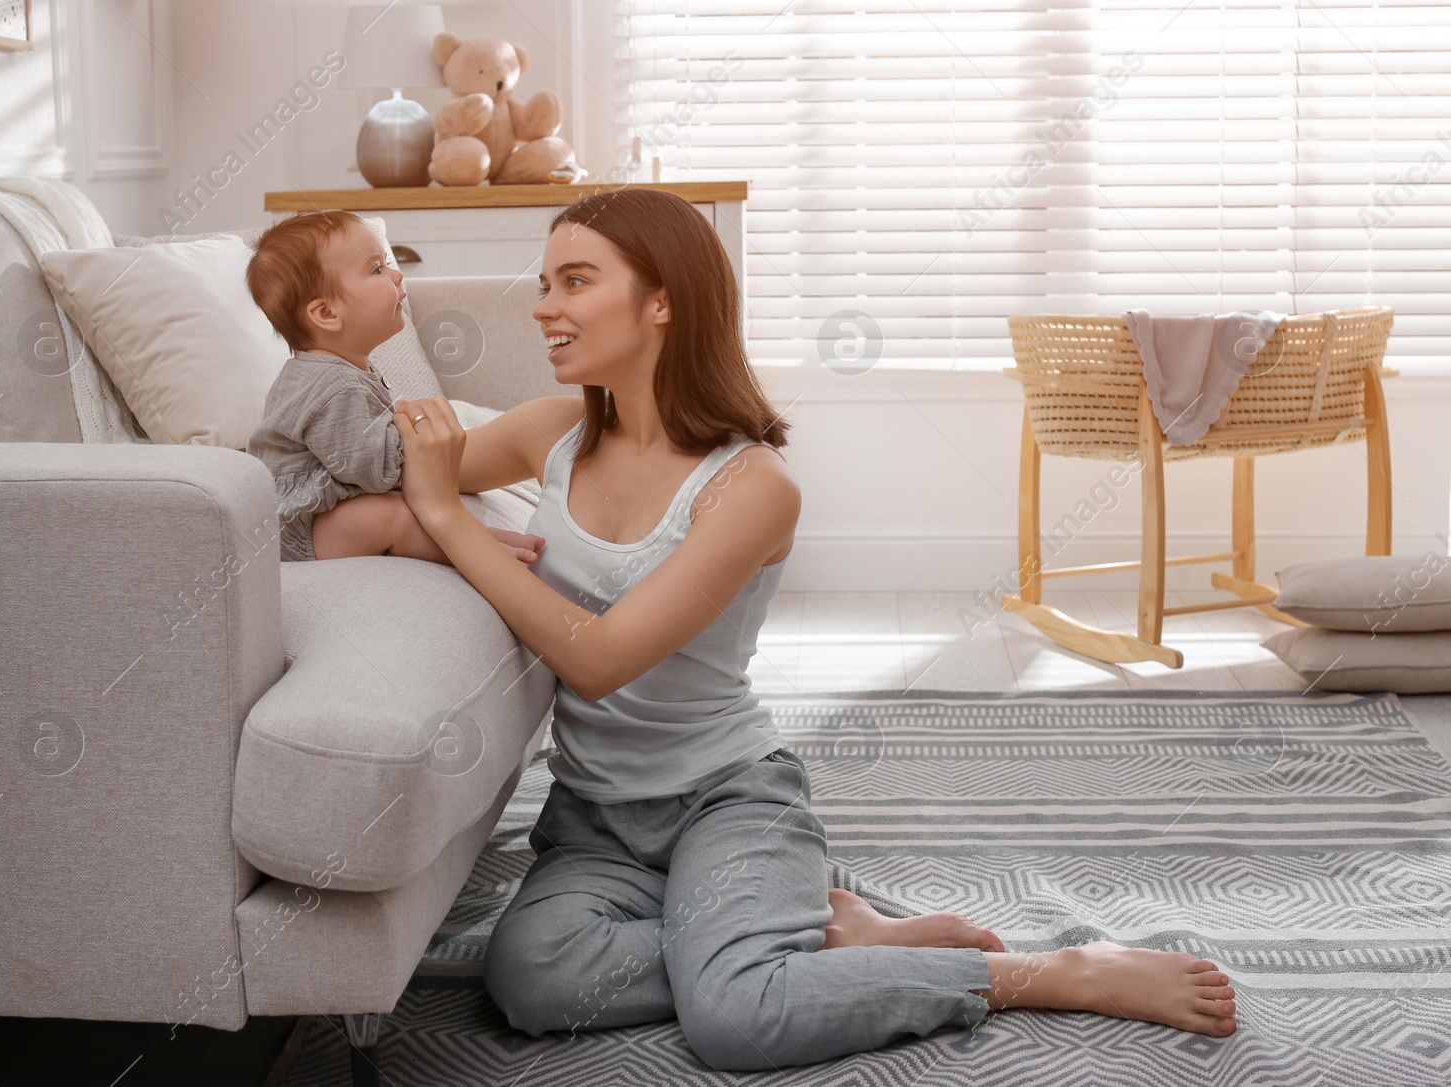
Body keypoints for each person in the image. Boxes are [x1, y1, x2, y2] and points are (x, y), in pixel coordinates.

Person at [387, 188, 1238, 1072]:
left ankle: (1045, 972)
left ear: (662, 300)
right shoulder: (554, 434)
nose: (542, 307)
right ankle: (814, 934)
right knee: (533, 980)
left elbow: (597, 660)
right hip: (591, 821)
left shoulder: (750, 487)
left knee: (737, 1021)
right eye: (544, 283)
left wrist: (451, 521)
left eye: (574, 281)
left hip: (724, 801)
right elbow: (385, 475)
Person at [243, 209, 546, 565]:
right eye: (377, 270)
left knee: (402, 508)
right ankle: (477, 551)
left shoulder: (336, 370)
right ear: (326, 314)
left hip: (320, 514)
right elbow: (373, 471)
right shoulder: (332, 385)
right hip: (294, 530)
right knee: (389, 515)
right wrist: (412, 429)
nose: (397, 274)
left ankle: (482, 539)